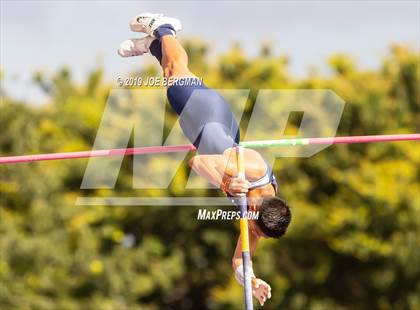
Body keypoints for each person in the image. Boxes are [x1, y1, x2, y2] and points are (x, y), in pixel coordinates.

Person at [118, 13, 291, 306]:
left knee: (172, 72)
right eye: (252, 225)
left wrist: (250, 279)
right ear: (257, 203)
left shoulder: (260, 215)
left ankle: (153, 46)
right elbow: (197, 163)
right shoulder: (250, 171)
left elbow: (238, 260)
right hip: (205, 116)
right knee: (176, 73)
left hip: (214, 130)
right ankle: (164, 28)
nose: (249, 230)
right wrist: (227, 182)